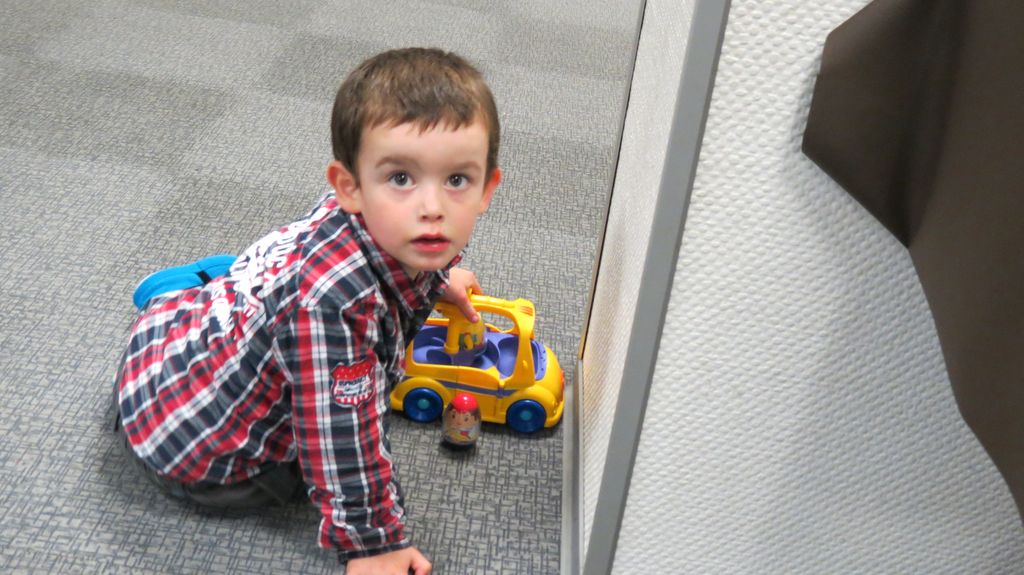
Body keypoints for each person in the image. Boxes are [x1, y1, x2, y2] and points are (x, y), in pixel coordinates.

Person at [111, 47, 502, 575]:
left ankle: (199, 285)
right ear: (349, 187)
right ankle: (208, 286)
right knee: (318, 444)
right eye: (401, 179)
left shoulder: (378, 223)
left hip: (173, 356)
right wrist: (374, 545)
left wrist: (436, 278)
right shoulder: (332, 303)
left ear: (486, 188)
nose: (432, 208)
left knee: (258, 283)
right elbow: (341, 439)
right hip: (196, 450)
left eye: (457, 180)